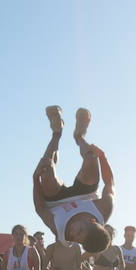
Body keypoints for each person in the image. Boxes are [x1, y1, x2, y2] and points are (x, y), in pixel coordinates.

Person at [32, 106, 114, 254]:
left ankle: (56, 133)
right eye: (80, 231)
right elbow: (109, 183)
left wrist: (35, 179)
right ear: (92, 221)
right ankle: (79, 136)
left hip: (56, 202)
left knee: (46, 168)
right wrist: (103, 157)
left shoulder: (61, 231)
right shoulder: (104, 209)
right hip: (85, 195)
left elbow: (40, 209)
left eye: (77, 239)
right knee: (91, 157)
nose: (73, 233)